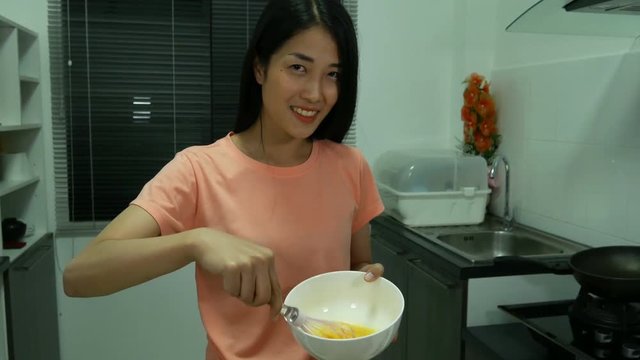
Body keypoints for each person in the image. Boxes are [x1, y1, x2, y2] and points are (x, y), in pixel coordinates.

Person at [62, 0, 385, 359]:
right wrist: (196, 242)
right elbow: (79, 276)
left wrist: (368, 286)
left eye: (333, 74)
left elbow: (356, 267)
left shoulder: (350, 167)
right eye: (298, 67)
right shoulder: (198, 170)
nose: (315, 93)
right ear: (260, 67)